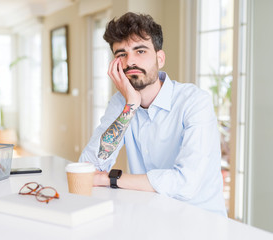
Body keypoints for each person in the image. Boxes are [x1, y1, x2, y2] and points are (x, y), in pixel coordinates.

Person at [79, 12, 227, 217]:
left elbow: (186, 183)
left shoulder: (195, 101)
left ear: (160, 58)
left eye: (140, 51)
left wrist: (110, 179)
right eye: (121, 54)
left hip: (200, 221)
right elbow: (88, 167)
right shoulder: (121, 103)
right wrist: (130, 105)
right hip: (151, 216)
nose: (130, 61)